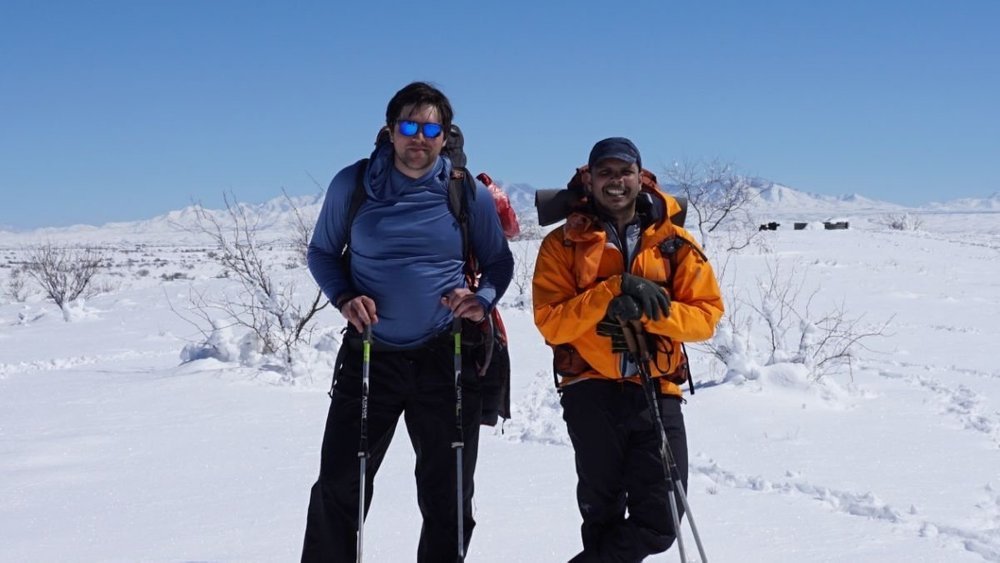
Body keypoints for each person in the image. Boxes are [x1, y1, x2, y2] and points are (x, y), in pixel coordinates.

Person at [302, 81, 514, 562]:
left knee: (449, 496)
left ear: (445, 134)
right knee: (340, 486)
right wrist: (344, 296)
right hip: (369, 355)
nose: (419, 137)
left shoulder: (465, 192)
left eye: (430, 127)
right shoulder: (353, 184)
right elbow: (321, 252)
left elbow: (499, 262)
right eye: (409, 126)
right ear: (390, 131)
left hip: (445, 357)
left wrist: (481, 298)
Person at [532, 137, 724, 562]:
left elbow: (707, 315)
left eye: (625, 172)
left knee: (659, 524)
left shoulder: (674, 242)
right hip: (590, 388)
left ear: (641, 178)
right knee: (600, 516)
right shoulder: (562, 244)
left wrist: (649, 312)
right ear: (591, 179)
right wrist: (611, 291)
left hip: (656, 387)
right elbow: (551, 321)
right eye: (606, 173)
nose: (615, 182)